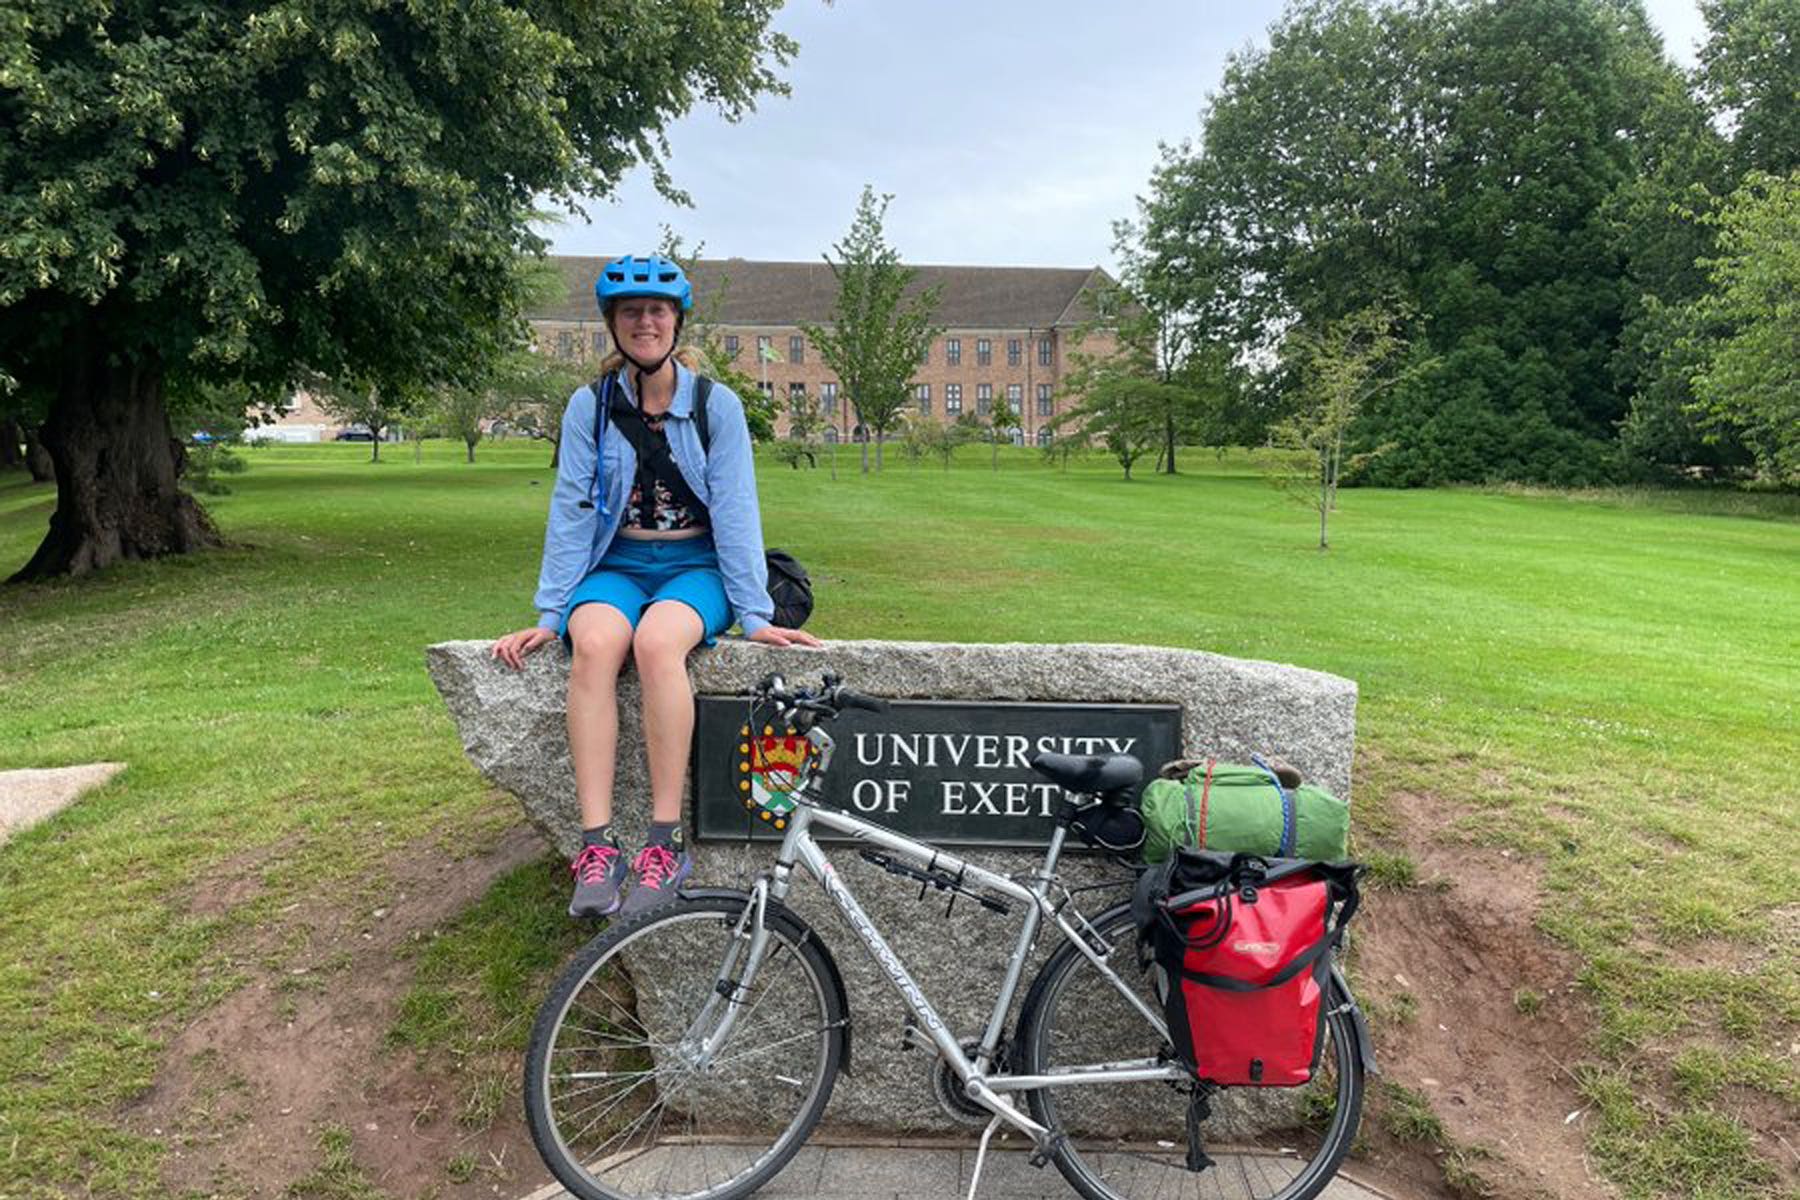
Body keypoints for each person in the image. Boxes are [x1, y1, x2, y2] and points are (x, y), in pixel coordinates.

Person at [493, 254, 821, 918]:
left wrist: (755, 614)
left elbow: (736, 510)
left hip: (694, 569)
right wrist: (551, 613)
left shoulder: (714, 405)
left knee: (656, 644)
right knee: (592, 646)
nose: (645, 321)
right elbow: (571, 509)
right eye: (631, 313)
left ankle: (662, 843)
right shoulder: (589, 407)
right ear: (613, 325)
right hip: (617, 566)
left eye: (657, 311)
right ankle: (596, 846)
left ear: (676, 322)